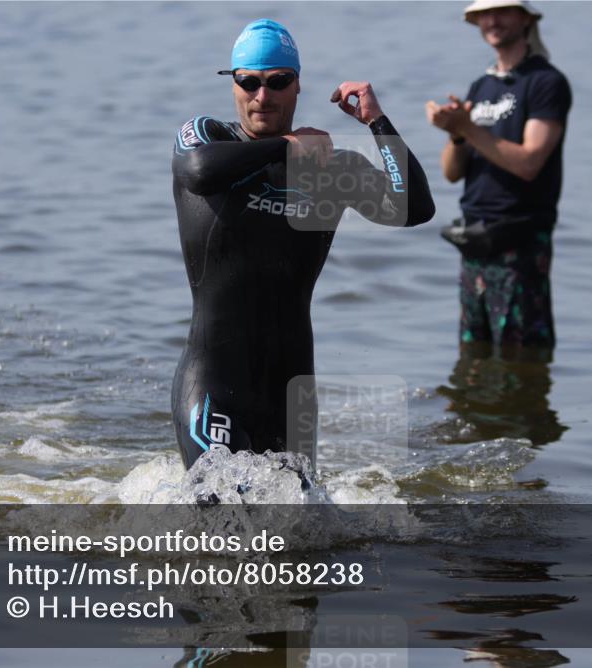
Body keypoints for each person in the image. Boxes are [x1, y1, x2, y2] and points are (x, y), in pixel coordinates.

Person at [171, 19, 435, 471]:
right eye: (248, 82)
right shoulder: (208, 138)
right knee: (222, 517)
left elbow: (414, 208)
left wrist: (377, 122)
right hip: (214, 376)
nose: (262, 96)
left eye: (277, 82)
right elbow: (198, 171)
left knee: (299, 532)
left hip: (291, 388)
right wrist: (285, 148)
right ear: (233, 83)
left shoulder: (332, 169)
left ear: (297, 86)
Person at [425, 0, 571, 348]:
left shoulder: (546, 82)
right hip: (474, 240)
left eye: (503, 10)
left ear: (525, 18)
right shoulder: (482, 86)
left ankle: (522, 404)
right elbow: (451, 173)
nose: (492, 20)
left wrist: (469, 127)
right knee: (471, 355)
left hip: (520, 244)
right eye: (484, 14)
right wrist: (457, 133)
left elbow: (530, 163)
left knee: (521, 355)